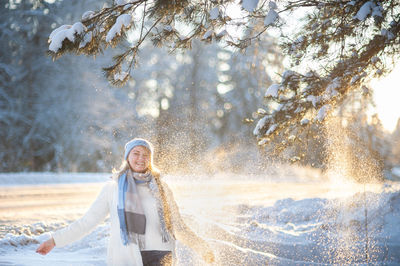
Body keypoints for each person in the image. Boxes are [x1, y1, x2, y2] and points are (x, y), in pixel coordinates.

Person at [36, 138, 215, 265]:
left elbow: (177, 225)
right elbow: (87, 222)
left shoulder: (161, 188)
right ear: (127, 157)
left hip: (162, 256)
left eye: (146, 155)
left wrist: (202, 248)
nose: (141, 158)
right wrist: (54, 241)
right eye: (136, 153)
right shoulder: (113, 188)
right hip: (128, 257)